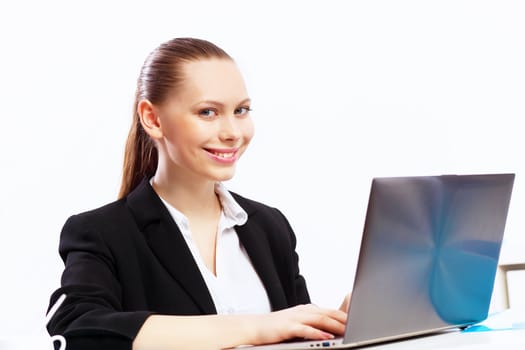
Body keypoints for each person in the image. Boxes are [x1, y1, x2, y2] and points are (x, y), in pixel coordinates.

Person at [47, 37, 348, 350]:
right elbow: (78, 330)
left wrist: (338, 327)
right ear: (152, 118)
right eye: (208, 112)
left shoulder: (269, 227)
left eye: (241, 110)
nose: (232, 132)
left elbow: (294, 337)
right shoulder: (102, 233)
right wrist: (257, 327)